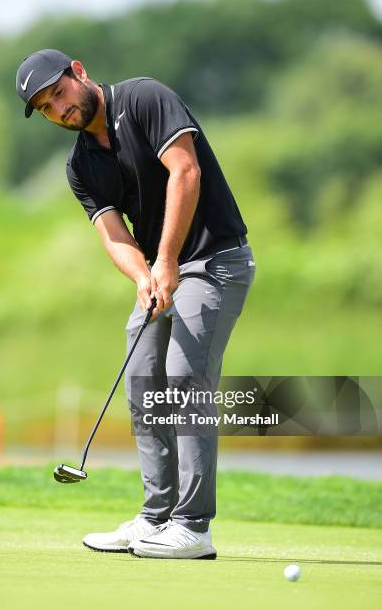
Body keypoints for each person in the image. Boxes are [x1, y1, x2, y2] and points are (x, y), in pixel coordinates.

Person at [16, 49, 256, 559]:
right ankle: (155, 518)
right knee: (145, 382)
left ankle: (193, 527)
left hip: (215, 260)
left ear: (78, 72)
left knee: (183, 380)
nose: (59, 109)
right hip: (163, 273)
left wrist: (166, 260)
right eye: (46, 108)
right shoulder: (80, 165)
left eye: (58, 93)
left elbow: (184, 171)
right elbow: (113, 235)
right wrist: (145, 276)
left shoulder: (144, 98)